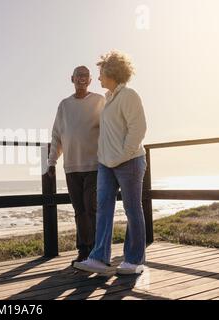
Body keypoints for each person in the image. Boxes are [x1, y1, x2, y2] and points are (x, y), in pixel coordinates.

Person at [74, 50, 148, 275]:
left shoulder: (129, 95)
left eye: (101, 73)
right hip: (106, 165)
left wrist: (122, 155)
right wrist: (104, 158)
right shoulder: (108, 99)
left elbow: (139, 129)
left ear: (112, 72)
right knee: (103, 209)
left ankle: (134, 261)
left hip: (130, 161)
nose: (98, 78)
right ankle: (99, 258)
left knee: (132, 209)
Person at [48, 66, 105, 265]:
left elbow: (109, 128)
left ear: (90, 80)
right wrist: (51, 161)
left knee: (91, 208)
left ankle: (96, 251)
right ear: (71, 78)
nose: (81, 78)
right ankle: (83, 251)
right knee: (79, 210)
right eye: (78, 75)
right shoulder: (64, 105)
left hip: (94, 165)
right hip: (71, 167)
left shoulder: (99, 101)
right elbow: (57, 135)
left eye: (85, 76)